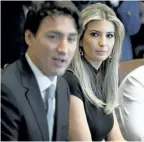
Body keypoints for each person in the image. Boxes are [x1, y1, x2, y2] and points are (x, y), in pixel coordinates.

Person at [1, 1, 80, 141]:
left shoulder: (62, 85)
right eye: (53, 37)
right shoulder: (6, 90)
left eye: (71, 39)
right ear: (29, 37)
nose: (64, 49)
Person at [63, 3, 125, 141]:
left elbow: (117, 139)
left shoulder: (104, 77)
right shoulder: (70, 81)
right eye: (95, 34)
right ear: (80, 39)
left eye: (109, 35)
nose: (103, 43)